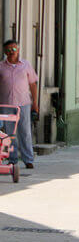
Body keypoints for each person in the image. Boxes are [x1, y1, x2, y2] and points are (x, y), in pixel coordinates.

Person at [0, 40, 37, 169]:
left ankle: (28, 159)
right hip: (6, 105)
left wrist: (35, 103)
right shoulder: (1, 66)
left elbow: (33, 84)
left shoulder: (26, 65)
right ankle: (12, 159)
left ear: (18, 50)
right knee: (9, 133)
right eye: (8, 50)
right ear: (5, 52)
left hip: (24, 104)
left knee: (25, 132)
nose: (11, 52)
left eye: (14, 49)